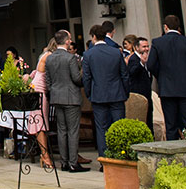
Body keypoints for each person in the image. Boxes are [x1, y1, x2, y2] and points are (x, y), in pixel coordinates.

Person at [147, 15, 186, 140]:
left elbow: (150, 65)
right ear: (178, 27)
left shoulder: (157, 42)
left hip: (168, 89)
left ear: (165, 27)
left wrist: (161, 76)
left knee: (171, 126)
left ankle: (173, 150)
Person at [82, 25, 130, 164]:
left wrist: (89, 94)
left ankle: (105, 160)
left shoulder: (89, 54)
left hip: (99, 95)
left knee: (101, 129)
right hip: (117, 94)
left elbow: (87, 78)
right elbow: (124, 74)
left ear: (94, 37)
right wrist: (125, 92)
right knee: (119, 126)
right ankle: (121, 156)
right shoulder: (116, 52)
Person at [45, 30, 87, 172]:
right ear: (67, 41)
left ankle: (64, 162)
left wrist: (53, 90)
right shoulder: (70, 58)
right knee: (72, 131)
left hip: (57, 97)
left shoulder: (49, 58)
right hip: (71, 97)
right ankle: (73, 163)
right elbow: (76, 78)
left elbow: (48, 80)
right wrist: (83, 74)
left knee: (61, 130)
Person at [27, 38, 57, 168]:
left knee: (41, 123)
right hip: (40, 91)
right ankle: (44, 156)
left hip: (39, 89)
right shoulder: (49, 56)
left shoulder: (46, 55)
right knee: (39, 124)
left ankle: (44, 154)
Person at [126, 37, 154, 134]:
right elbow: (132, 72)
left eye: (147, 46)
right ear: (136, 47)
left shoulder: (148, 58)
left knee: (149, 119)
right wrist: (141, 63)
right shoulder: (133, 59)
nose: (146, 49)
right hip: (139, 94)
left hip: (147, 93)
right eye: (144, 47)